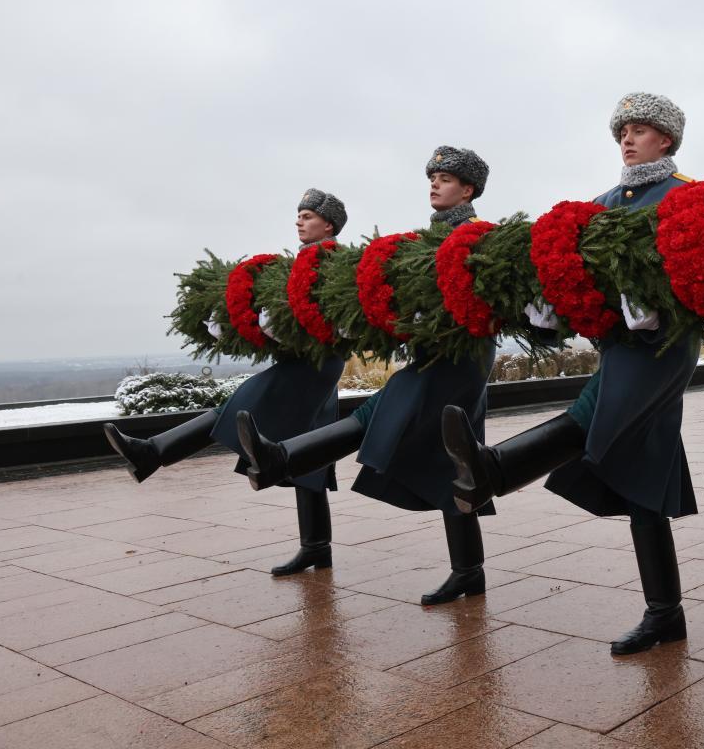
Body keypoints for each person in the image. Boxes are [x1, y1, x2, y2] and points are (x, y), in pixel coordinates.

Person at [442, 93, 699, 655]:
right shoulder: (602, 203)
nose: (628, 139)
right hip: (616, 344)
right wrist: (555, 302)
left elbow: (703, 271)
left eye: (640, 129)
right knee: (644, 471)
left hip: (662, 346)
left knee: (598, 416)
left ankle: (496, 469)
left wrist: (662, 303)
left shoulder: (687, 198)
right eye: (622, 131)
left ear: (667, 140)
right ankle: (665, 613)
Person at [237, 147, 498, 601]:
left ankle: (282, 458)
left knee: (401, 419)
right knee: (449, 458)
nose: (434, 184)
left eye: (446, 178)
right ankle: (468, 571)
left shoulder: (480, 235)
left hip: (464, 358)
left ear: (468, 189)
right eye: (432, 177)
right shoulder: (424, 240)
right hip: (431, 355)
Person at [104, 189, 349, 575]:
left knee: (240, 405)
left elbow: (331, 313)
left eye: (307, 215)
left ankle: (153, 452)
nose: (299, 221)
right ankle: (316, 547)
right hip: (304, 360)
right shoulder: (301, 261)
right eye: (298, 215)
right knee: (307, 452)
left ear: (328, 224)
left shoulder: (334, 262)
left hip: (317, 363)